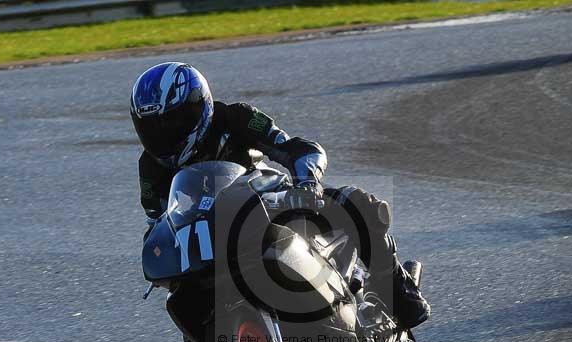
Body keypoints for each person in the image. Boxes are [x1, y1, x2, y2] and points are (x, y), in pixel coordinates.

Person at [130, 62, 430, 327]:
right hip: (209, 237)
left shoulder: (236, 117)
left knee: (356, 202)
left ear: (200, 106)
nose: (164, 135)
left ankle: (399, 290)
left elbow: (299, 149)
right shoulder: (150, 166)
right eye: (152, 128)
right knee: (182, 298)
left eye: (173, 122)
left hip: (263, 203)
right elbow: (158, 220)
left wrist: (306, 184)